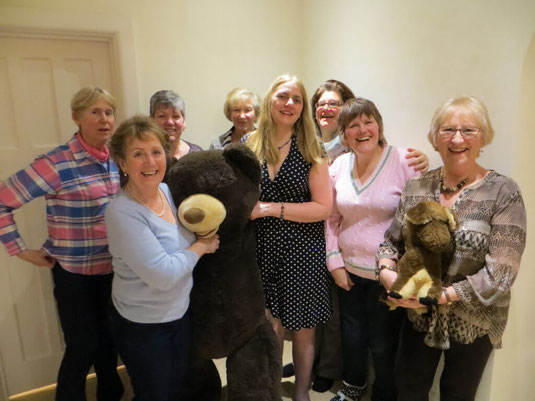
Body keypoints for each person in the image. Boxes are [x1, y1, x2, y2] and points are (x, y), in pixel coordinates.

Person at [377, 96, 526, 401]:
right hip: (416, 313)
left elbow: (502, 271)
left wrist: (440, 296)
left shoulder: (503, 191)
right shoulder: (417, 186)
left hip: (474, 318)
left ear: (483, 137)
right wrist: (387, 273)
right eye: (448, 130)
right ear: (435, 138)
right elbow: (390, 243)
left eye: (469, 130)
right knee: (408, 390)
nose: (458, 138)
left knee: (459, 395)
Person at [0, 87, 124, 401]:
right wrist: (20, 250)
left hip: (114, 271)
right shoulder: (56, 163)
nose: (104, 119)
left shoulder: (118, 159)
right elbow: (3, 201)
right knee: (83, 347)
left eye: (108, 112)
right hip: (74, 275)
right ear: (76, 117)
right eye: (94, 112)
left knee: (110, 342)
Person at [105, 115, 219, 401]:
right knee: (155, 395)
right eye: (138, 154)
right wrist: (202, 246)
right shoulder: (122, 212)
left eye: (156, 152)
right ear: (122, 162)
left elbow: (185, 243)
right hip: (143, 325)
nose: (150, 162)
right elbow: (163, 274)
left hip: (179, 315)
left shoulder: (166, 192)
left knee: (177, 387)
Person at [326, 97, 428, 401]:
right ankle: (353, 387)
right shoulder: (339, 166)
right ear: (344, 135)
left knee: (384, 344)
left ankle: (385, 393)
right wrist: (335, 264)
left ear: (379, 125)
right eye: (352, 125)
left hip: (388, 276)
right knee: (352, 336)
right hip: (349, 274)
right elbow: (331, 219)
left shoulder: (405, 162)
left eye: (368, 121)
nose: (362, 129)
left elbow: (417, 220)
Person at [245, 74, 333, 401]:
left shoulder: (312, 147)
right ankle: (269, 390)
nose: (290, 104)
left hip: (302, 249)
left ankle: (301, 393)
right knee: (270, 327)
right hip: (261, 248)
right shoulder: (250, 145)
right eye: (283, 96)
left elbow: (323, 207)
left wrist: (270, 209)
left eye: (297, 99)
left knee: (303, 329)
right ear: (270, 100)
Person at [149, 90, 202, 161]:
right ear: (151, 121)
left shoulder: (197, 155)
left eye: (175, 116)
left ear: (184, 122)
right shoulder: (145, 157)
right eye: (162, 116)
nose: (170, 122)